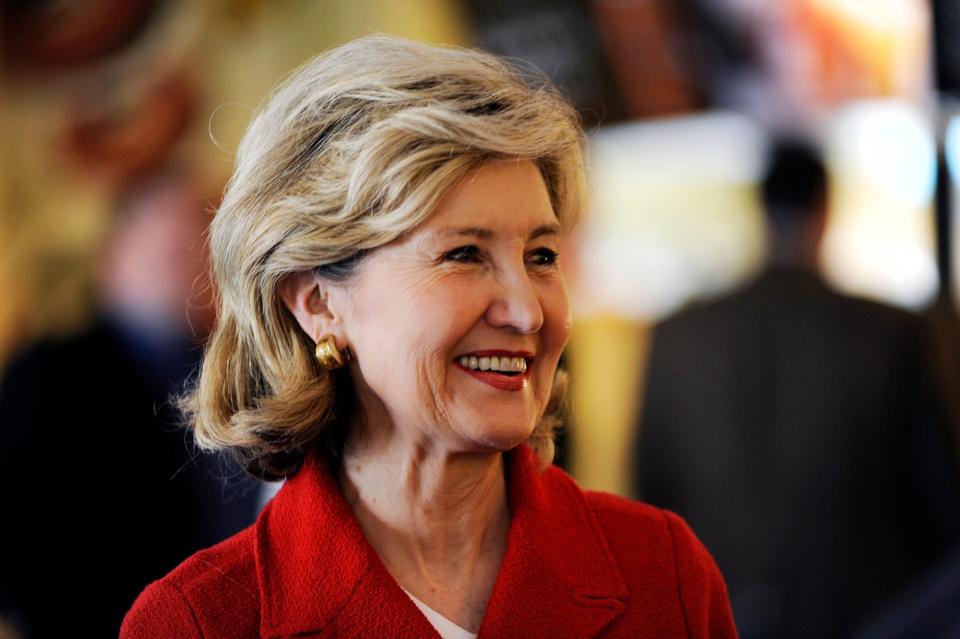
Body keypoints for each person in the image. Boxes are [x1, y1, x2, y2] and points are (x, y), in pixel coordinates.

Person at [120, 36, 737, 638]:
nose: (527, 311)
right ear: (317, 303)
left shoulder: (664, 573)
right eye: (465, 254)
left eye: (541, 256)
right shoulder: (199, 622)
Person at [634, 139, 960, 638]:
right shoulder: (888, 332)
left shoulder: (679, 337)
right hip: (868, 621)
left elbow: (647, 500)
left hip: (717, 620)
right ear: (825, 208)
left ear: (760, 210)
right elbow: (940, 506)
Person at [0, 174, 261, 637]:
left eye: (198, 247)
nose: (187, 263)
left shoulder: (248, 374)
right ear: (111, 260)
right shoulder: (49, 373)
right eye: (166, 248)